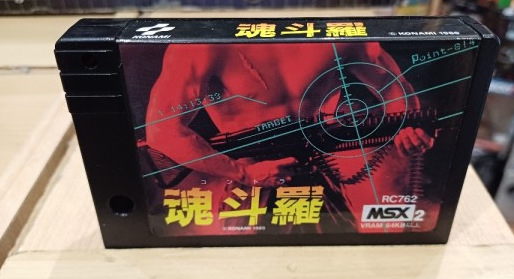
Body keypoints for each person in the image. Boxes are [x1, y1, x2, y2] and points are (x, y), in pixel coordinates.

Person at [144, 36, 434, 233]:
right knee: (243, 263)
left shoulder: (335, 33)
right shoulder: (201, 46)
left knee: (370, 240)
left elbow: (392, 85)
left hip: (327, 159)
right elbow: (162, 131)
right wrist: (246, 174)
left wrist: (405, 127)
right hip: (253, 170)